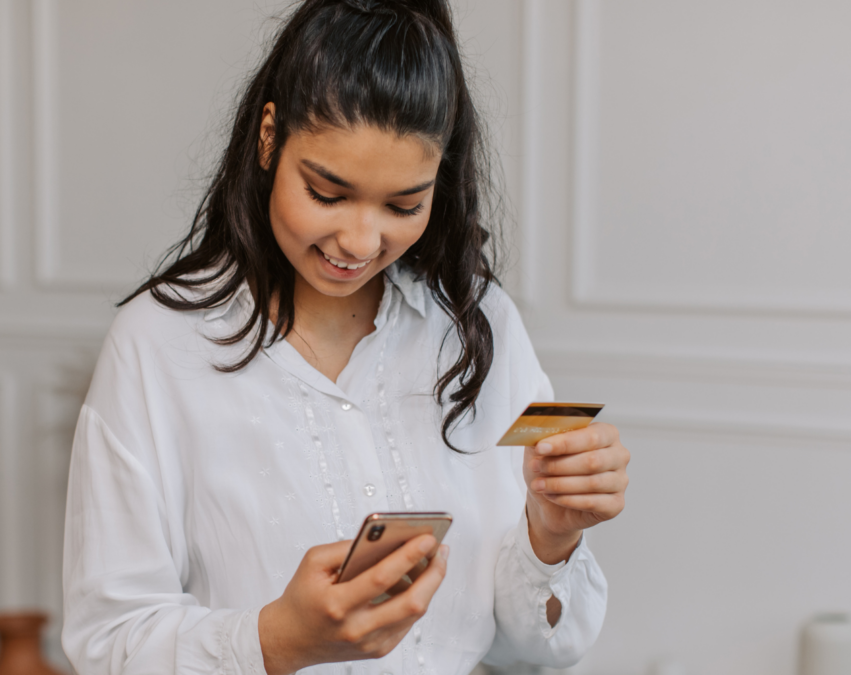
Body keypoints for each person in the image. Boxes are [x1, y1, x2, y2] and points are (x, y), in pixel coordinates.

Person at [61, 1, 631, 673]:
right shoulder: (157, 345)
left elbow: (536, 648)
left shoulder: (481, 325)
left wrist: (552, 534)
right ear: (269, 138)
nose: (360, 242)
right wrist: (274, 640)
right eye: (327, 193)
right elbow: (107, 642)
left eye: (403, 205)